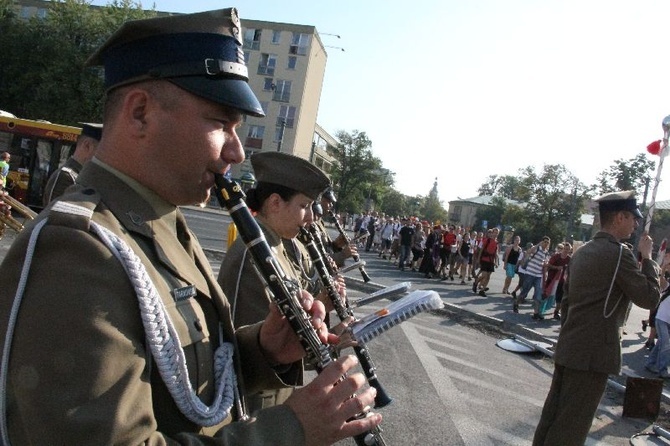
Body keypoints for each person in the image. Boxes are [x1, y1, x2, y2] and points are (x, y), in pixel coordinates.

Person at [0, 9, 381, 445]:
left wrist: (266, 348)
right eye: (221, 124)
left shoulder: (161, 220)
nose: (236, 152)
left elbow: (189, 374)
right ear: (140, 113)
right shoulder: (76, 250)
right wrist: (289, 429)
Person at [533, 190, 660, 446]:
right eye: (632, 218)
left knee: (553, 415)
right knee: (573, 425)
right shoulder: (618, 254)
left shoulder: (583, 250)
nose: (636, 224)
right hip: (593, 354)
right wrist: (648, 259)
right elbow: (649, 298)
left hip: (570, 344)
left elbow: (566, 302)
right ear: (619, 217)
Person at [217, 151, 333, 412]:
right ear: (275, 202)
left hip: (274, 390)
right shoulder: (253, 254)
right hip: (253, 399)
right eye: (304, 206)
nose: (311, 217)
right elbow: (239, 347)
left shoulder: (278, 245)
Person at [42, 122, 103, 205]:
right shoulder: (65, 176)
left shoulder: (79, 175)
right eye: (101, 150)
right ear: (87, 146)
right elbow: (56, 215)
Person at [512, 236, 551, 320]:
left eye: (548, 242)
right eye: (545, 241)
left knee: (538, 295)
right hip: (530, 273)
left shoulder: (546, 253)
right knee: (524, 292)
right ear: (542, 242)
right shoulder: (537, 249)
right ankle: (516, 303)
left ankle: (536, 313)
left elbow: (546, 264)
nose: (546, 243)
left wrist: (546, 266)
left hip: (538, 276)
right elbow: (528, 252)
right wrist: (537, 245)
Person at [472, 227, 499, 297]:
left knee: (488, 276)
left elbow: (496, 253)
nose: (495, 234)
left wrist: (496, 262)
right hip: (484, 259)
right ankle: (476, 283)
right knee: (484, 275)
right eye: (494, 232)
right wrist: (478, 258)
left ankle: (482, 290)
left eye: (497, 233)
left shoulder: (496, 242)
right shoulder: (487, 240)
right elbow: (481, 249)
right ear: (492, 233)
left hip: (491, 260)